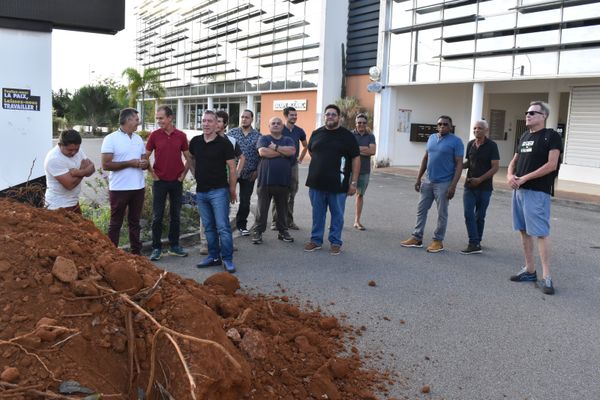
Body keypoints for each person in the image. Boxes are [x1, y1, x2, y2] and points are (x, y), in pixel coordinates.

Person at [507, 101, 561, 295]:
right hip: (519, 191)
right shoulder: (524, 135)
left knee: (541, 233)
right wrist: (510, 176)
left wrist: (525, 178)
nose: (528, 115)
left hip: (537, 191)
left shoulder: (551, 136)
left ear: (543, 116)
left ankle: (547, 276)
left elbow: (551, 165)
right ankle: (530, 270)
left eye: (532, 112)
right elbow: (515, 160)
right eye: (527, 112)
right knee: (523, 230)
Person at [401, 115, 464, 253]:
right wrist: (418, 178)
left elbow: (459, 164)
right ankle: (417, 237)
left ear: (450, 127)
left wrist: (453, 185)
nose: (442, 126)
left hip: (444, 183)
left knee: (442, 213)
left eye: (445, 124)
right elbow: (425, 158)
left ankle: (438, 241)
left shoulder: (456, 141)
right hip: (428, 181)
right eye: (440, 124)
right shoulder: (431, 138)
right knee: (421, 210)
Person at [304, 104, 360, 255]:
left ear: (339, 117)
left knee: (337, 215)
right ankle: (316, 240)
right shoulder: (316, 133)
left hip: (339, 185)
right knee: (318, 214)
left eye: (333, 114)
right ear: (324, 116)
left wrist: (353, 182)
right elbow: (311, 150)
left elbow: (356, 159)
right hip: (316, 184)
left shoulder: (347, 136)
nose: (330, 117)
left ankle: (335, 242)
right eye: (327, 114)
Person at [189, 110, 237, 273]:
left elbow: (232, 167)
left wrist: (232, 189)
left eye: (210, 121)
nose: (206, 124)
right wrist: (196, 175)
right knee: (208, 227)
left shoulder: (224, 143)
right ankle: (214, 256)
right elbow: (191, 160)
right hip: (201, 192)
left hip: (219, 191)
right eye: (204, 121)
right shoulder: (195, 141)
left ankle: (228, 259)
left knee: (223, 226)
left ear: (217, 124)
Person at [145, 105, 191, 261]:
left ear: (170, 118)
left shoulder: (181, 136)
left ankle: (174, 246)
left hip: (176, 182)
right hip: (160, 182)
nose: (158, 121)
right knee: (157, 216)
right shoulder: (154, 135)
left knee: (175, 215)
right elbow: (145, 157)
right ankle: (156, 248)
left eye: (161, 118)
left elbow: (189, 157)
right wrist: (153, 174)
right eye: (157, 118)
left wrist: (183, 174)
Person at [101, 108, 148, 255]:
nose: (138, 122)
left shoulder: (138, 138)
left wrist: (144, 164)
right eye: (136, 119)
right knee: (116, 223)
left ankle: (136, 253)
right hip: (119, 189)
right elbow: (106, 165)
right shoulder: (111, 139)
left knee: (135, 223)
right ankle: (112, 255)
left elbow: (144, 160)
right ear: (127, 120)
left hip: (138, 187)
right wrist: (129, 163)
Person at [251, 117, 296, 244]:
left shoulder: (288, 139)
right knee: (262, 209)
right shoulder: (264, 138)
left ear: (282, 126)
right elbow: (263, 152)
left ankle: (283, 232)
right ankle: (258, 232)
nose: (276, 125)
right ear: (269, 126)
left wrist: (274, 147)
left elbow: (292, 151)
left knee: (282, 209)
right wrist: (282, 152)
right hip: (265, 180)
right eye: (273, 123)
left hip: (283, 181)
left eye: (278, 123)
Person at [460, 120, 500, 255]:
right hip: (469, 185)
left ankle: (477, 241)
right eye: (475, 128)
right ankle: (474, 242)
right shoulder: (470, 144)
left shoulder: (492, 146)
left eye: (480, 128)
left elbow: (495, 167)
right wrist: (457, 167)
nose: (477, 130)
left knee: (480, 216)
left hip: (485, 187)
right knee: (468, 213)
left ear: (486, 130)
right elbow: (468, 162)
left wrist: (480, 179)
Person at [270, 106, 307, 231]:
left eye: (295, 115)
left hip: (293, 166)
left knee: (292, 194)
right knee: (278, 192)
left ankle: (289, 221)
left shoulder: (299, 131)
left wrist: (300, 158)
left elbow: (305, 145)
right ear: (286, 116)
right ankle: (275, 222)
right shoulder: (280, 128)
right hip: (280, 164)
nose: (294, 117)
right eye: (292, 115)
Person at [227, 109, 261, 236]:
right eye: (242, 117)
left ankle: (242, 225)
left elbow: (261, 156)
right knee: (228, 197)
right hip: (232, 172)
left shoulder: (258, 136)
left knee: (245, 200)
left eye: (247, 117)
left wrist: (257, 171)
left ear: (252, 119)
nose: (244, 119)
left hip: (249, 174)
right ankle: (225, 224)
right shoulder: (232, 133)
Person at [44, 129, 95, 213]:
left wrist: (79, 172)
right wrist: (84, 171)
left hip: (73, 202)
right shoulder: (54, 159)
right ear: (60, 145)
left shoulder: (77, 150)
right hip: (58, 206)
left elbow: (92, 168)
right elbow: (70, 185)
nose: (73, 153)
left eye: (76, 149)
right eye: (70, 150)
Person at [352, 113, 376, 230]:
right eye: (359, 122)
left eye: (363, 123)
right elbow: (349, 150)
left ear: (366, 124)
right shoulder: (350, 135)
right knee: (342, 194)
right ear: (355, 123)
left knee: (360, 195)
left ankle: (357, 221)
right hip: (350, 170)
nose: (361, 124)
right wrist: (365, 148)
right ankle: (336, 221)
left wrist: (356, 149)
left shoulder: (371, 136)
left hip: (364, 170)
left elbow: (373, 151)